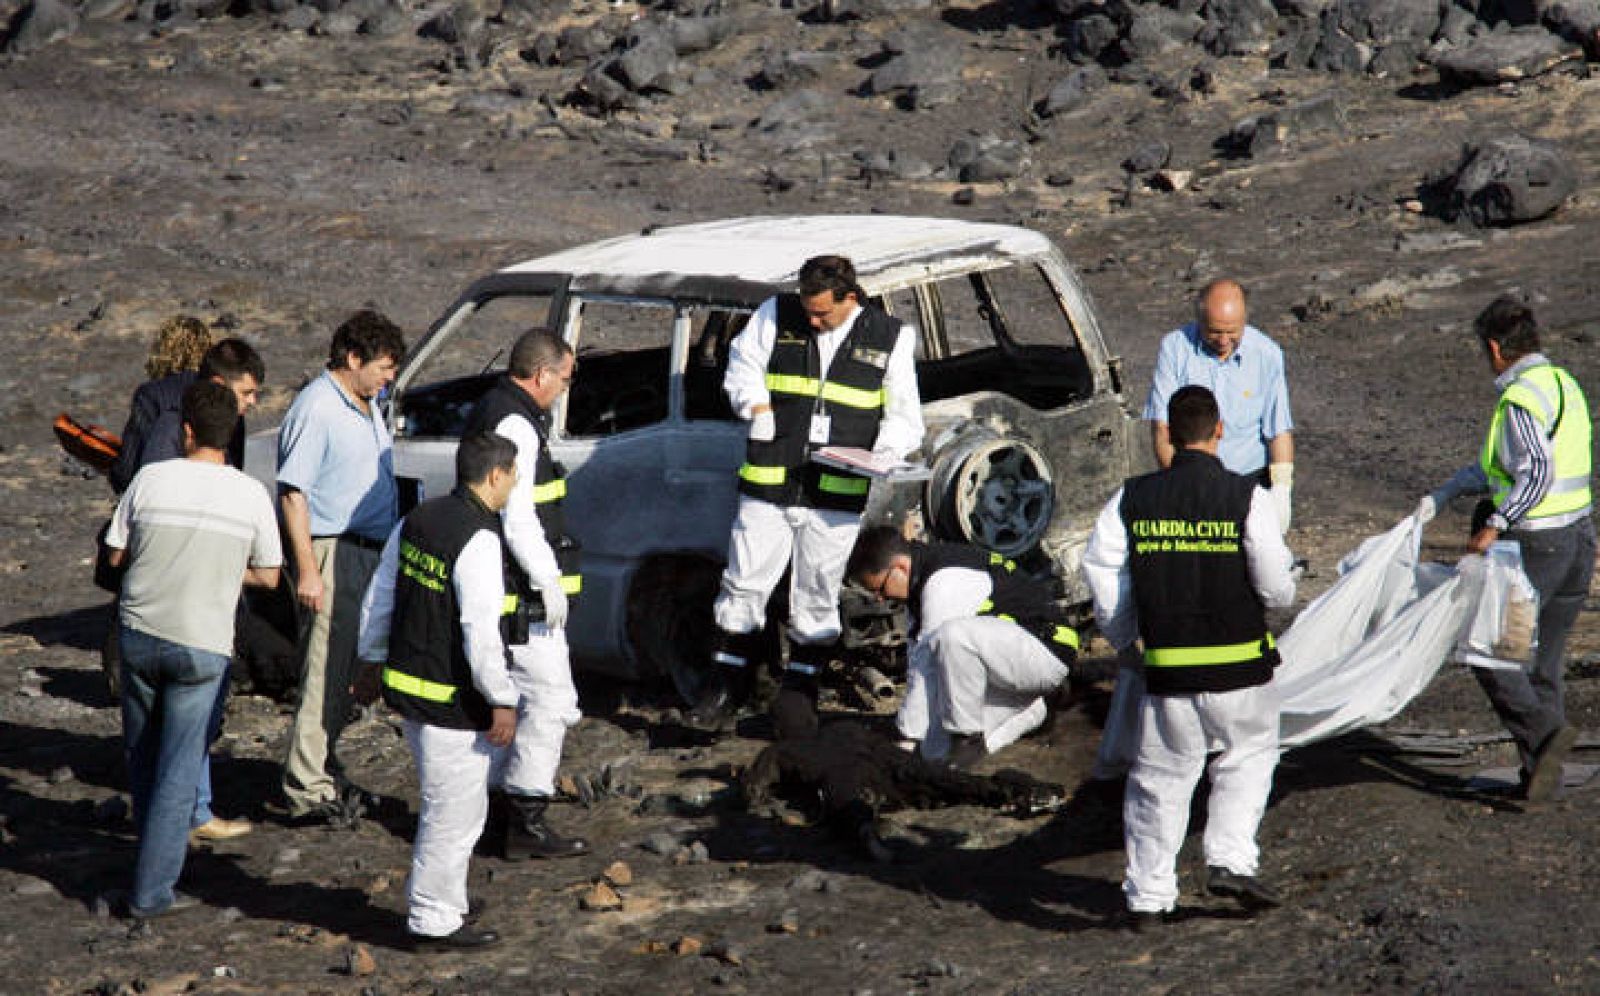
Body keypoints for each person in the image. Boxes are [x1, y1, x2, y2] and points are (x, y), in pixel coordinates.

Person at [1082, 385, 1296, 929]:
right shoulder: (1247, 496)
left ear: (1166, 435)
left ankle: (1150, 899)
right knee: (1247, 759)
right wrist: (1276, 596)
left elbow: (1103, 572)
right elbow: (1275, 587)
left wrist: (1125, 634)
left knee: (1160, 780)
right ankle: (1230, 860)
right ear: (1219, 430)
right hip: (1243, 667)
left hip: (1171, 671)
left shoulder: (1131, 498)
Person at [689, 255, 924, 739]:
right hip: (770, 480)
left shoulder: (890, 336)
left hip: (836, 491)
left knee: (817, 593)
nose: (812, 321)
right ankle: (721, 691)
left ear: (850, 299)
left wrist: (883, 452)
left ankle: (798, 699)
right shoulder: (776, 314)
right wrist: (754, 405)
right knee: (743, 583)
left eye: (822, 314)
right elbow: (742, 364)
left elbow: (905, 415)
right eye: (808, 311)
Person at [105, 380, 282, 918]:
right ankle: (153, 889)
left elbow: (115, 557)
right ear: (229, 435)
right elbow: (271, 576)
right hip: (202, 641)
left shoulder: (150, 479)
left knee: (143, 753)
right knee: (180, 767)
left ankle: (153, 861)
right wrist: (227, 571)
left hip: (142, 630)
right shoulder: (249, 493)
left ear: (185, 430)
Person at [1416, 295, 1593, 803]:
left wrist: (1495, 524)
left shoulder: (1520, 399)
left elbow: (1536, 471)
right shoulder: (1564, 385)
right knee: (1544, 663)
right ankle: (1542, 776)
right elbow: (1499, 468)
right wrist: (1441, 496)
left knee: (1492, 652)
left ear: (1494, 348)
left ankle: (1544, 738)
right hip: (1578, 539)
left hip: (1535, 546)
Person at [353, 431, 521, 950]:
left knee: (451, 809)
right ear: (494, 475)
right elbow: (480, 630)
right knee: (452, 817)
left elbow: (381, 595)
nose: (516, 484)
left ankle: (449, 901)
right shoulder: (479, 538)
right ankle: (433, 920)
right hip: (451, 703)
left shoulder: (418, 518)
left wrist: (371, 659)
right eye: (513, 475)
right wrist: (502, 699)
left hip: (411, 694)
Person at [462, 328, 589, 859]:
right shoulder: (519, 424)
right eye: (564, 378)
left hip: (501, 584)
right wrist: (548, 582)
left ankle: (491, 816)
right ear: (542, 375)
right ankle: (526, 821)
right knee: (552, 701)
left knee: (503, 697)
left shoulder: (494, 407)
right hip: (522, 596)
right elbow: (520, 519)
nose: (563, 389)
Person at [277, 309, 406, 824]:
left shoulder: (365, 402)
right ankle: (305, 786)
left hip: (367, 552)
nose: (388, 377)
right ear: (353, 358)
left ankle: (323, 766)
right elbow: (292, 493)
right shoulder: (317, 407)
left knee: (346, 671)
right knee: (323, 666)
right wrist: (308, 570)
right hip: (332, 550)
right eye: (382, 367)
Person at [845, 526, 1079, 769]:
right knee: (934, 756)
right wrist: (914, 741)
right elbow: (918, 663)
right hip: (1008, 659)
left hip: (1046, 653)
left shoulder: (945, 580)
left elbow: (927, 665)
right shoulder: (919, 580)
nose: (881, 599)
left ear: (900, 568)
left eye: (880, 589)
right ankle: (1036, 710)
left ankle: (967, 736)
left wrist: (906, 737)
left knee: (952, 637)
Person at [1144, 279, 1294, 533]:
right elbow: (1162, 428)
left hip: (1248, 482)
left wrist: (1281, 490)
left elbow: (1278, 430)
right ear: (1200, 320)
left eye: (1233, 332)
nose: (1224, 340)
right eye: (1214, 332)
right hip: (1191, 479)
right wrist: (1180, 487)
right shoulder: (1175, 349)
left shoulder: (1267, 354)